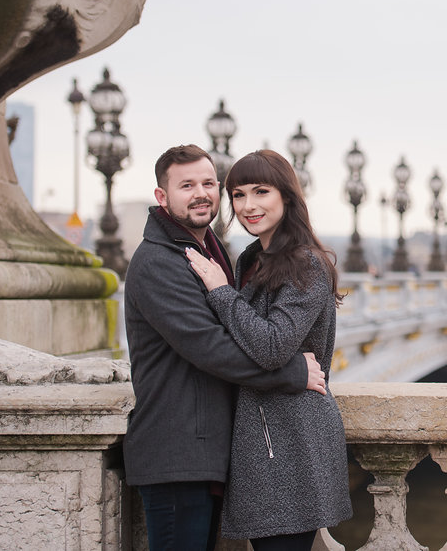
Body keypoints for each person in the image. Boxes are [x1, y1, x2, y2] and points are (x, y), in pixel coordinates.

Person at [124, 144, 327, 551]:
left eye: (208, 183)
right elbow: (213, 347)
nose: (201, 193)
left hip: (207, 452)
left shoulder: (213, 253)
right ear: (162, 197)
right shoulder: (159, 262)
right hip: (178, 453)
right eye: (186, 185)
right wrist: (293, 373)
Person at [185, 149, 353, 550]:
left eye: (261, 191)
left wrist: (221, 291)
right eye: (238, 195)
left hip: (293, 438)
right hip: (265, 437)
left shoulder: (307, 264)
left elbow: (272, 346)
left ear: (286, 196)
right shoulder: (251, 259)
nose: (248, 206)